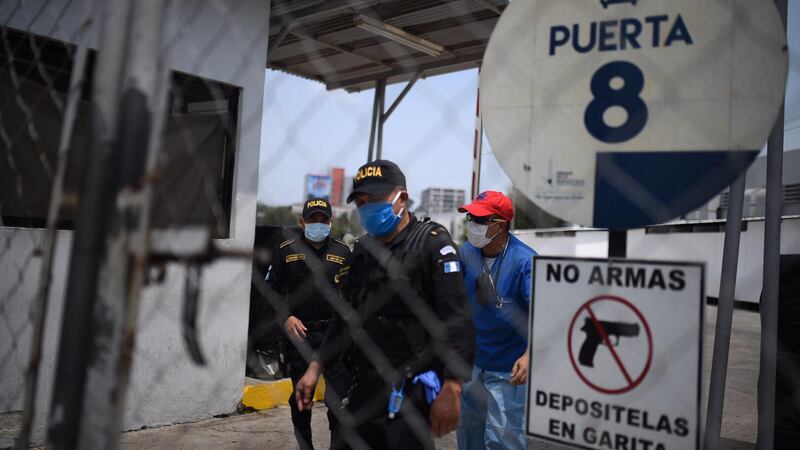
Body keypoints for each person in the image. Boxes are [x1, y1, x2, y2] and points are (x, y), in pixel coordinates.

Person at [294, 159, 475, 450]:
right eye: (361, 202)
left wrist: (453, 386)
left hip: (410, 393)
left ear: (402, 198)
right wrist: (315, 366)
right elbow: (345, 317)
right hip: (363, 387)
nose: (367, 208)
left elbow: (457, 321)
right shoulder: (364, 250)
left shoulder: (432, 244)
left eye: (375, 199)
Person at [266, 197, 353, 450]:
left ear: (331, 222)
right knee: (301, 401)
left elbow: (353, 295)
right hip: (300, 335)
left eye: (323, 220)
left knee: (339, 403)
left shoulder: (343, 253)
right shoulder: (286, 251)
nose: (318, 224)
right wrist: (286, 317)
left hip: (334, 335)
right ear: (302, 222)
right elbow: (270, 291)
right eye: (313, 219)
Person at [455, 191, 537, 450]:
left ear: (500, 225)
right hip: (472, 363)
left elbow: (543, 312)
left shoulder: (525, 261)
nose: (472, 224)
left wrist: (530, 355)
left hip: (508, 367)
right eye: (470, 218)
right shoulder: (466, 253)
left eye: (480, 219)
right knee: (469, 436)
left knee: (503, 439)